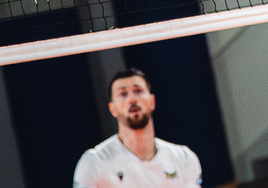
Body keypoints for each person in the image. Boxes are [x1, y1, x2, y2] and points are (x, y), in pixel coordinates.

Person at [73, 69, 203, 188]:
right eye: (123, 94)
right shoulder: (94, 162)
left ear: (152, 101)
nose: (132, 99)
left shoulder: (184, 158)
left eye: (138, 91)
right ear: (112, 109)